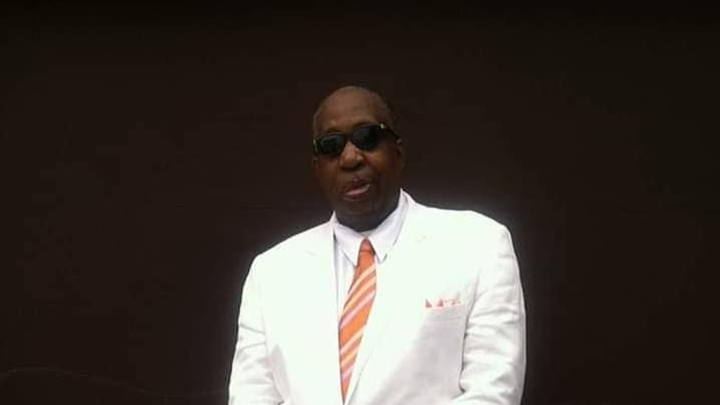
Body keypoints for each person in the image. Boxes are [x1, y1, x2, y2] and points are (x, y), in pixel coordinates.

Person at [228, 86, 526, 405]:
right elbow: (251, 397)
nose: (350, 158)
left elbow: (491, 394)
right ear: (317, 168)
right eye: (331, 146)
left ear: (398, 151)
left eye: (367, 137)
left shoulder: (478, 245)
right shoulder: (271, 273)